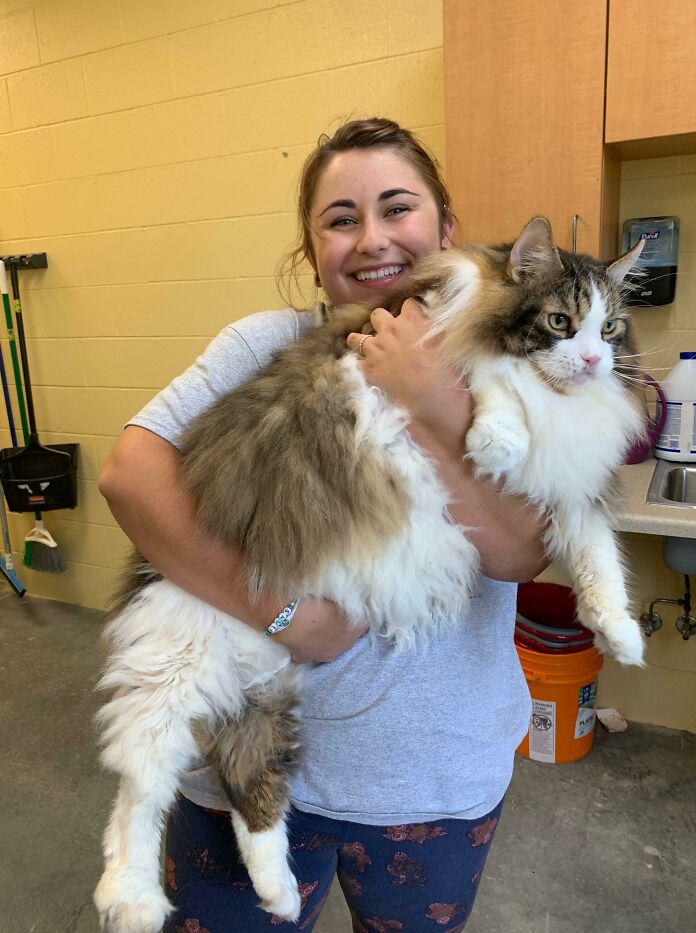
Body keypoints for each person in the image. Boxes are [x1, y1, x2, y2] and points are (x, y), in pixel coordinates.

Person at [99, 117, 547, 932]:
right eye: (341, 219)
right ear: (312, 251)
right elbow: (129, 475)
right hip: (243, 763)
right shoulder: (265, 343)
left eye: (397, 208)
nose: (372, 239)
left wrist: (432, 400)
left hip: (432, 778)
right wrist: (287, 616)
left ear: (446, 228)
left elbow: (520, 550)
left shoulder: (506, 350)